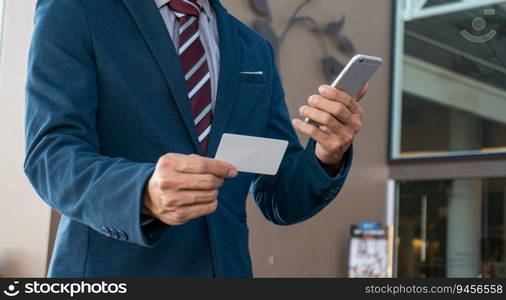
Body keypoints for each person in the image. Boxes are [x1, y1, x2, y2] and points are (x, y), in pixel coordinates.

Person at [24, 0, 367, 277]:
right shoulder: (76, 10)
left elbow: (278, 193)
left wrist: (325, 155)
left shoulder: (253, 48)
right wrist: (143, 193)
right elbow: (51, 154)